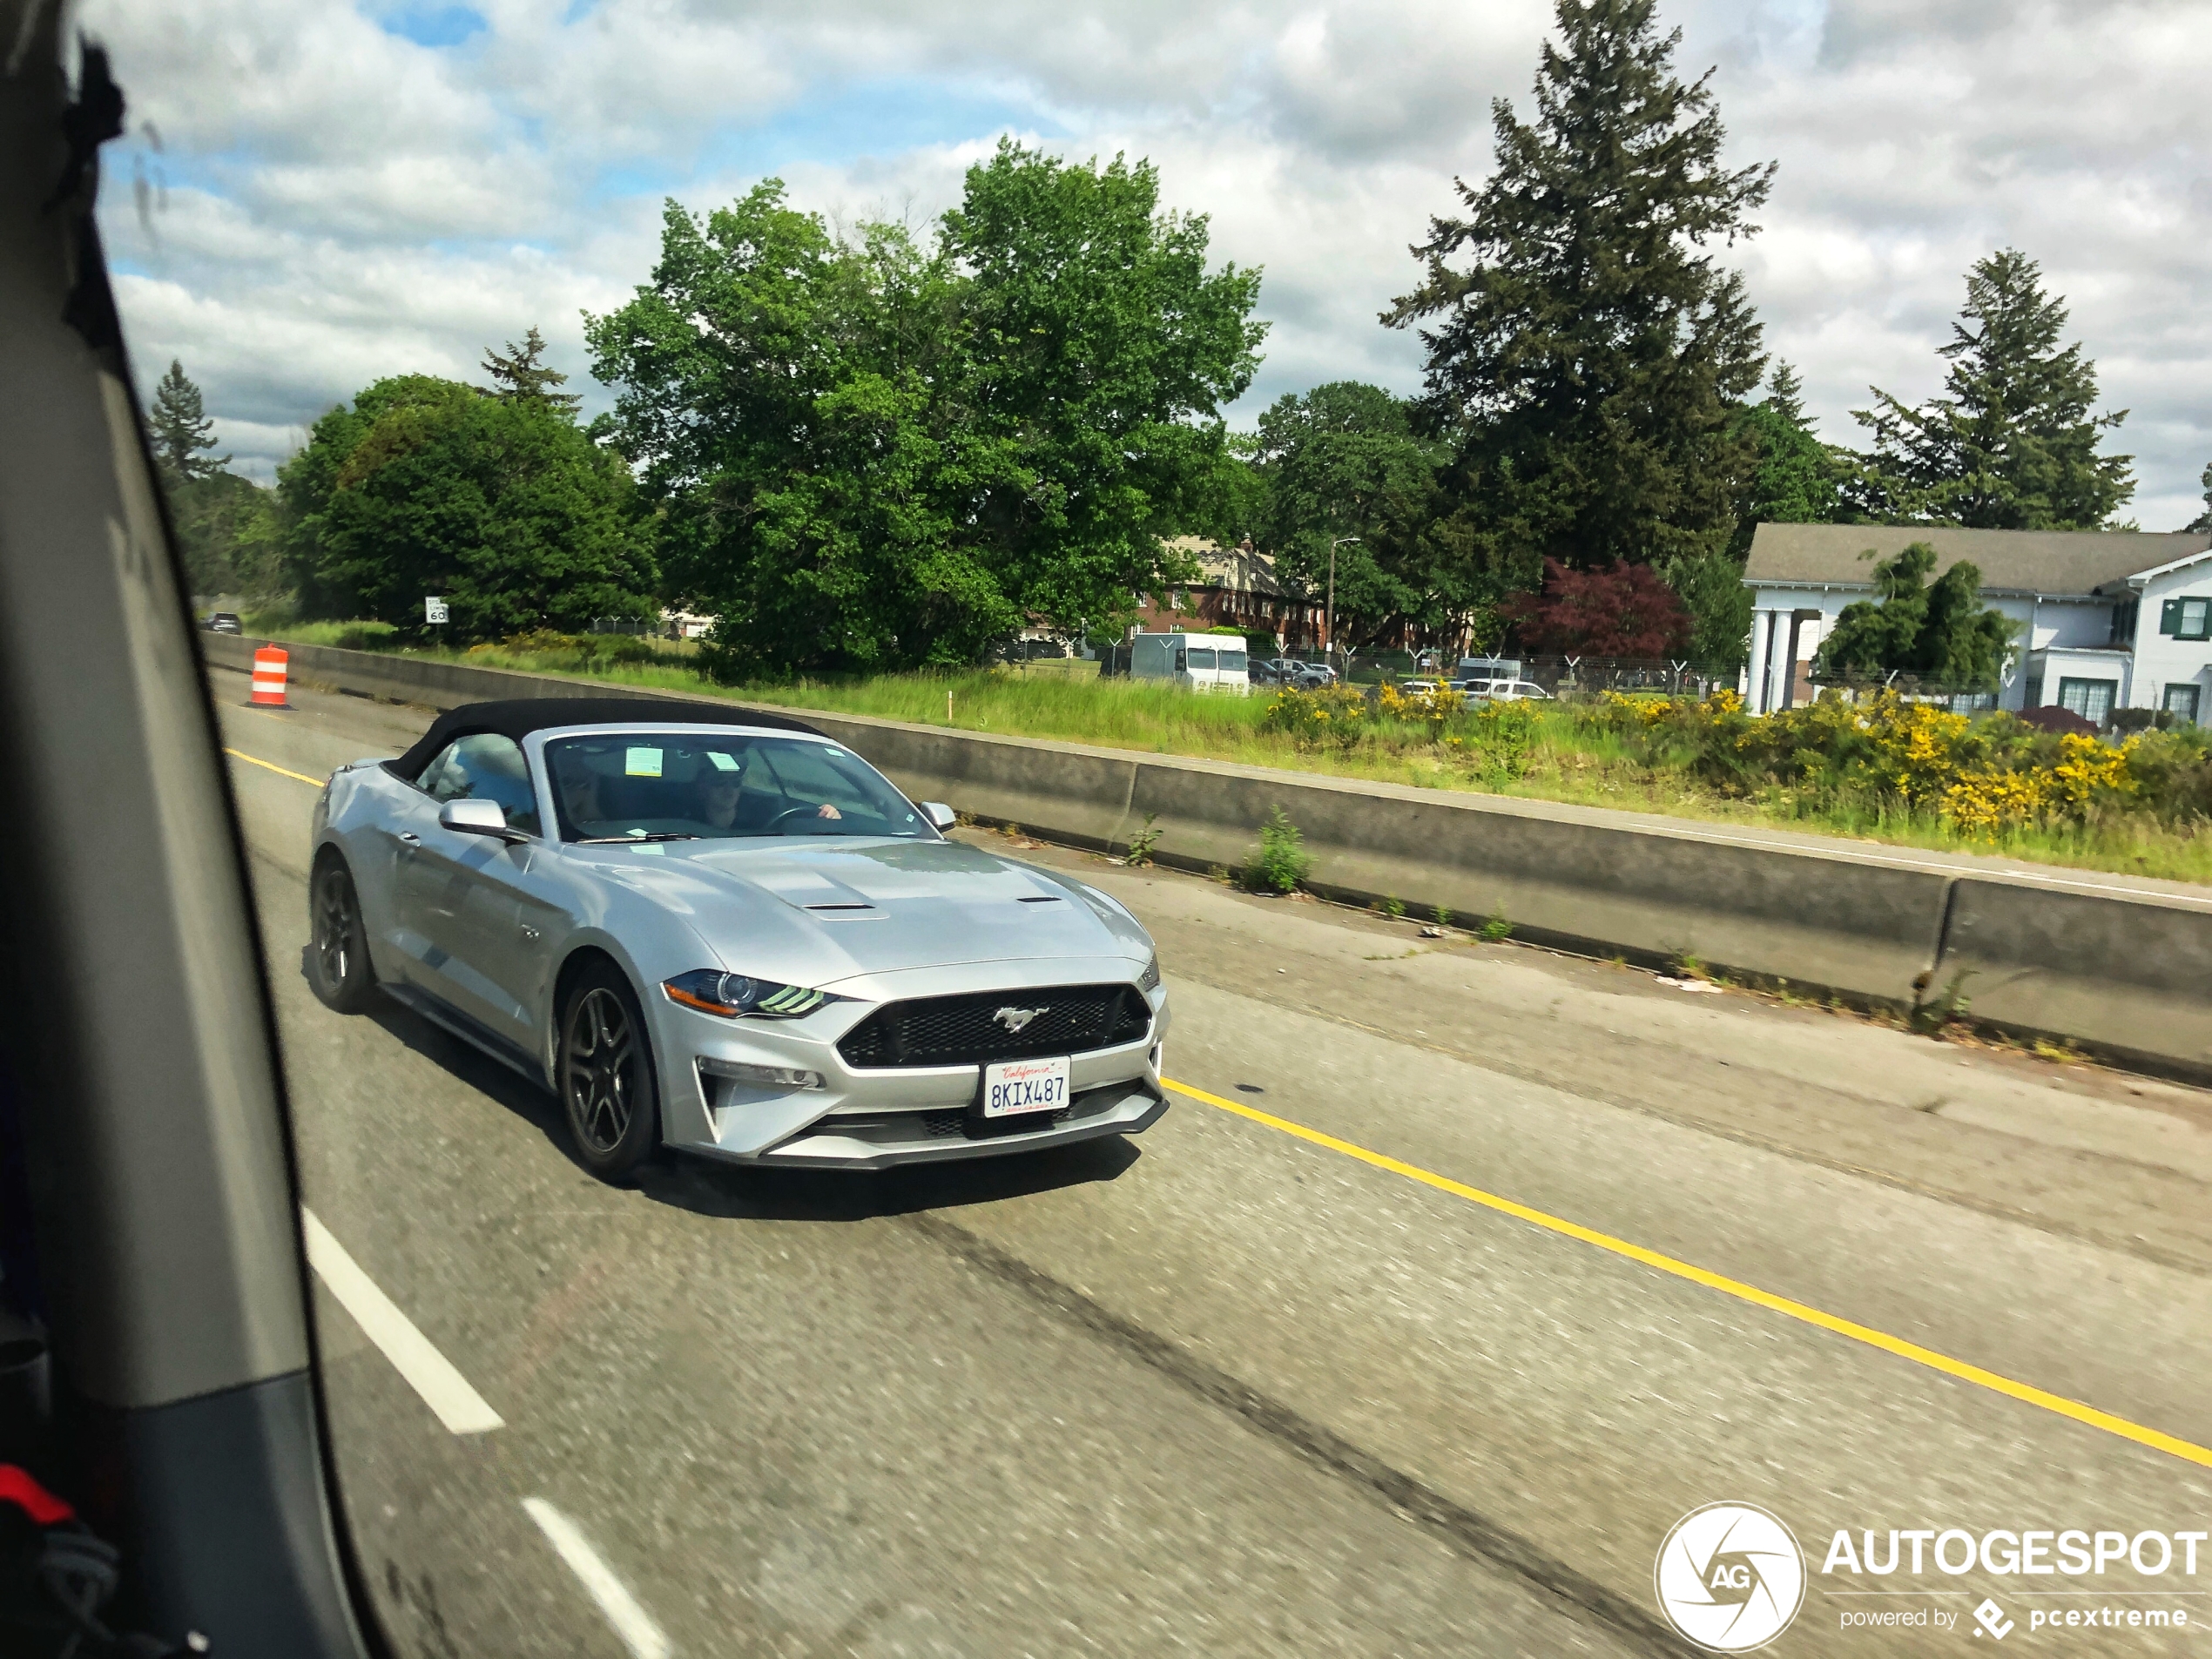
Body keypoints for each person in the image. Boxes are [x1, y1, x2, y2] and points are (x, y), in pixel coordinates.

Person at [696, 758, 839, 834]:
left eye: (736, 783)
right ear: (703, 788)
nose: (729, 790)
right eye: (720, 783)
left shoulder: (761, 818)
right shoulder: (686, 827)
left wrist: (830, 817)